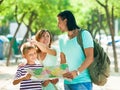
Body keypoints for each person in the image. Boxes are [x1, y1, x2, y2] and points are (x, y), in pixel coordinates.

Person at [57, 10, 94, 90]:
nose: (58, 25)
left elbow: (90, 57)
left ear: (65, 21)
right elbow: (63, 61)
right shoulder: (61, 40)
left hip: (82, 82)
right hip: (67, 83)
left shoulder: (84, 34)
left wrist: (76, 72)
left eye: (59, 22)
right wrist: (58, 73)